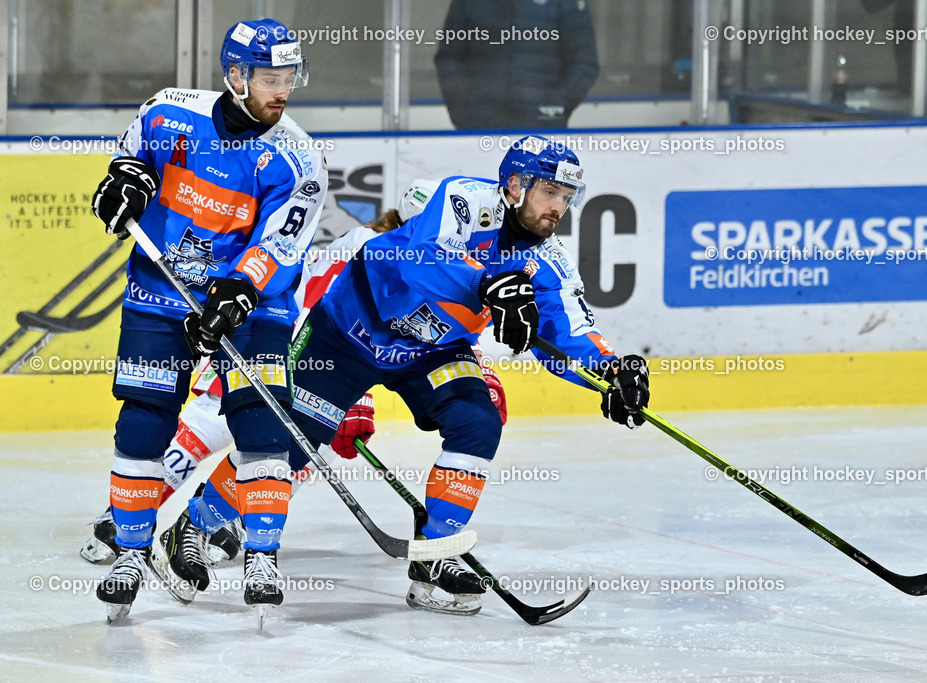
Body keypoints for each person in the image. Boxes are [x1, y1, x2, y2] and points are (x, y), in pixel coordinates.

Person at [180, 134, 648, 617]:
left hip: (433, 350)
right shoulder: (463, 200)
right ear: (515, 185)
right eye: (550, 193)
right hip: (349, 334)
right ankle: (196, 523)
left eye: (567, 198)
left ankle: (436, 554)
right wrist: (488, 283)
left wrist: (609, 372)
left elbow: (570, 331)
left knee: (477, 420)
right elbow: (421, 261)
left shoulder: (547, 261)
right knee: (293, 443)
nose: (559, 208)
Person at [81, 180, 509, 572]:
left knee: (298, 455)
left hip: (323, 358)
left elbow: (448, 331)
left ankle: (233, 519)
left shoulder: (463, 265)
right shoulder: (368, 246)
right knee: (207, 427)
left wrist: (480, 374)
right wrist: (350, 397)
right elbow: (315, 310)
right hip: (276, 348)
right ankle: (123, 519)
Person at [89, 18, 327, 622]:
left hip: (254, 301)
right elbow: (130, 154)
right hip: (160, 290)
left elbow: (281, 245)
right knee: (144, 420)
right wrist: (124, 181)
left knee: (263, 419)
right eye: (270, 78)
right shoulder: (169, 112)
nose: (282, 91)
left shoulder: (297, 159)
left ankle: (261, 554)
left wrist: (238, 292)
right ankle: (131, 551)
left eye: (289, 78)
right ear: (235, 75)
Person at [434, 0, 599, 130]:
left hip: (543, 130)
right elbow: (449, 57)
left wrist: (554, 107)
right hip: (479, 126)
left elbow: (583, 62)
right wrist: (462, 110)